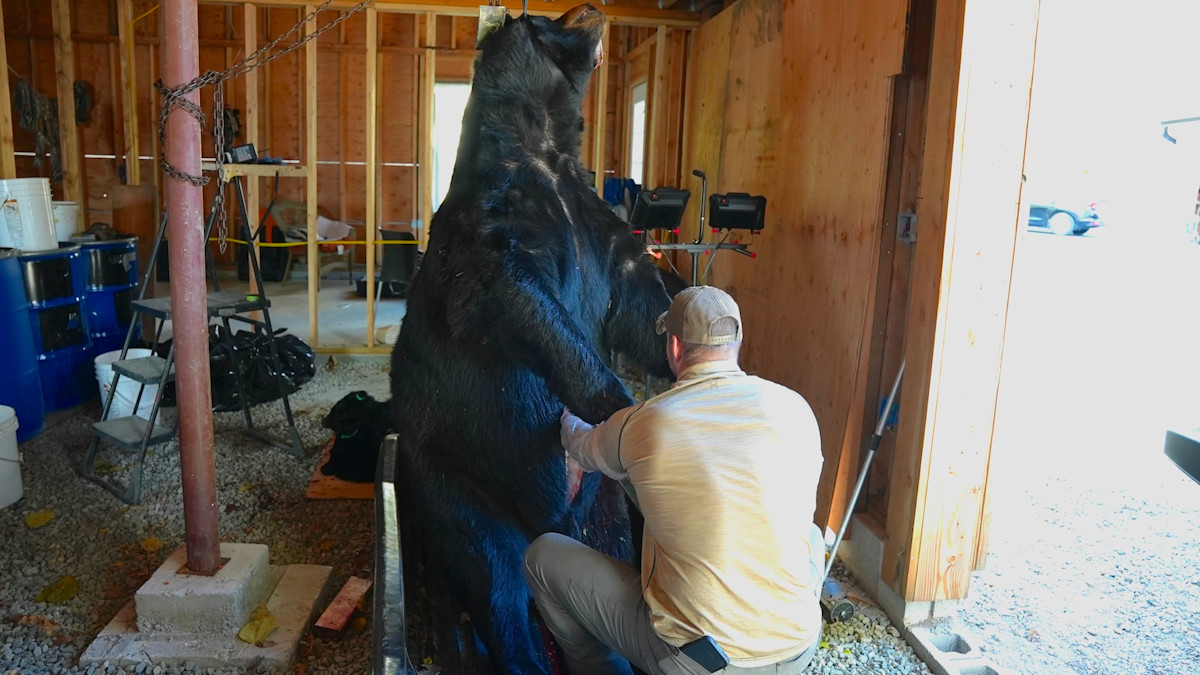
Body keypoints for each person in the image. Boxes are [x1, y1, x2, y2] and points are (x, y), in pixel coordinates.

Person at [524, 285, 826, 675]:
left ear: (676, 348)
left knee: (542, 557)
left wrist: (566, 415)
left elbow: (582, 447)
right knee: (814, 536)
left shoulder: (648, 422)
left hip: (700, 663)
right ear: (736, 342)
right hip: (799, 646)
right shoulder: (796, 408)